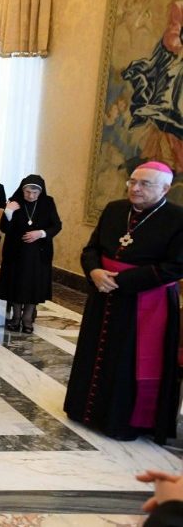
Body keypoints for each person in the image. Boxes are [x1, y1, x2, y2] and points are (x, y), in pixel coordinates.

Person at [64, 161, 183, 443]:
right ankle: (86, 412)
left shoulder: (178, 219)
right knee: (96, 353)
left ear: (165, 188)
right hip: (103, 294)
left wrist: (122, 281)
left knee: (128, 361)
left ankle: (123, 421)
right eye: (132, 182)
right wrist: (93, 271)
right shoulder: (115, 209)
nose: (135, 188)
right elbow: (91, 248)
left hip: (145, 302)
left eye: (145, 184)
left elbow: (176, 266)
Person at [0, 175, 62, 333]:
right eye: (27, 192)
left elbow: (56, 225)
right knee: (16, 285)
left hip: (38, 253)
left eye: (35, 192)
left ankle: (27, 319)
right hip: (16, 252)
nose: (31, 196)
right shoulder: (14, 201)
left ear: (41, 191)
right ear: (22, 190)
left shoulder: (48, 202)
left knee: (34, 286)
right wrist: (8, 212)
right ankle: (15, 317)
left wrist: (40, 233)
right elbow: (4, 228)